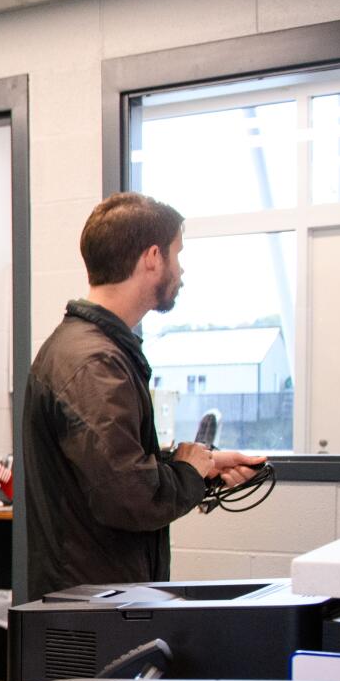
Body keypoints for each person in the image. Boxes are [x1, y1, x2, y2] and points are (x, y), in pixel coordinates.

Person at [24, 192, 263, 598]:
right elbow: (130, 497)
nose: (181, 270)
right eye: (177, 254)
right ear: (153, 257)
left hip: (106, 597)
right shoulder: (93, 362)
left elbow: (115, 466)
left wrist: (204, 467)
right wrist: (188, 473)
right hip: (92, 608)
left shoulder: (99, 350)